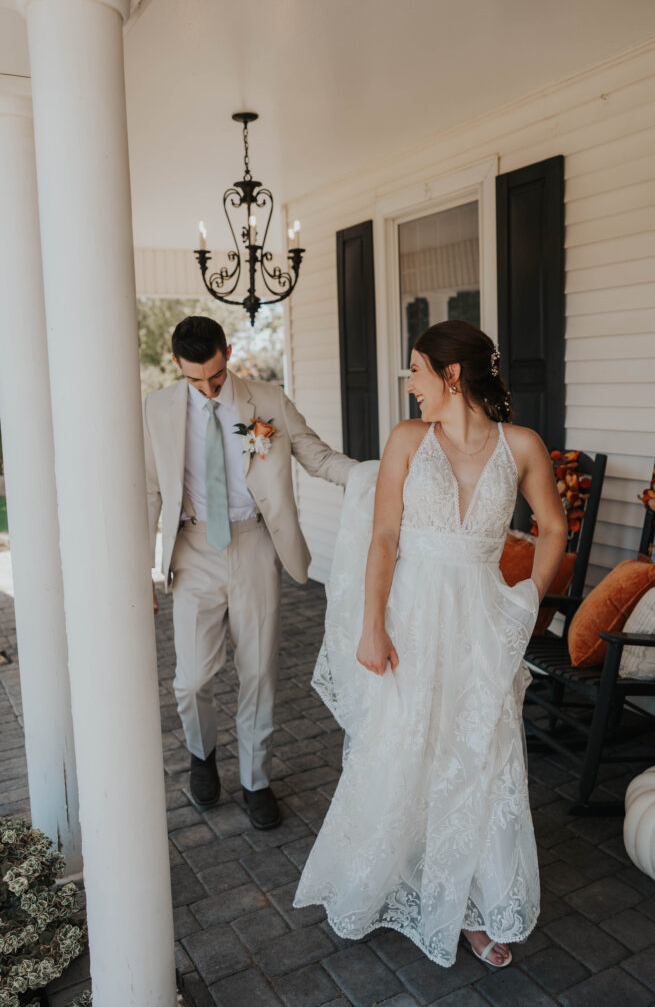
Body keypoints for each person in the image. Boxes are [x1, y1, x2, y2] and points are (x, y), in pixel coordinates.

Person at [294, 320, 567, 967]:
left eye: (416, 370)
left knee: (480, 756)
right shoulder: (408, 439)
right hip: (411, 617)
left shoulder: (521, 444)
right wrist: (371, 625)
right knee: (400, 748)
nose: (408, 383)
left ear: (452, 375)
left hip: (482, 622)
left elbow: (552, 528)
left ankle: (469, 907)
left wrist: (526, 601)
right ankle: (376, 879)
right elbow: (383, 537)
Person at [143, 316, 356, 829]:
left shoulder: (268, 401)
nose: (209, 389)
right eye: (196, 380)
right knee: (191, 680)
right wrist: (138, 572)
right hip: (193, 548)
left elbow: (317, 456)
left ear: (228, 352)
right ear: (178, 365)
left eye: (216, 376)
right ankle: (202, 755)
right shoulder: (156, 409)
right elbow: (149, 490)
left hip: (256, 543)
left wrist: (373, 474)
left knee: (258, 671)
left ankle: (256, 779)